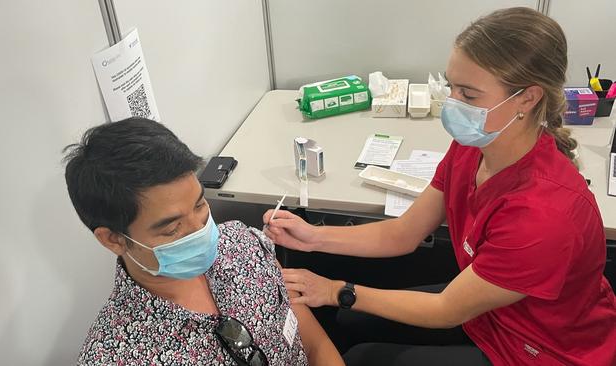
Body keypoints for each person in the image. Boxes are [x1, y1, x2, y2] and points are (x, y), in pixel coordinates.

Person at [263, 7, 616, 366]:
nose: (452, 104)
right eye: (451, 86)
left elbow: (446, 309)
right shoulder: (473, 146)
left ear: (527, 98)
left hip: (539, 350)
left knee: (362, 355)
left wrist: (336, 290)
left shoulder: (544, 215)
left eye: (469, 94)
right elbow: (404, 233)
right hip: (489, 312)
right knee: (348, 321)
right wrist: (313, 236)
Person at [63, 117, 344, 366]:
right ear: (113, 239)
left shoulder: (242, 244)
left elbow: (310, 339)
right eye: (172, 228)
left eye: (199, 205)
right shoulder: (116, 354)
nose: (200, 230)